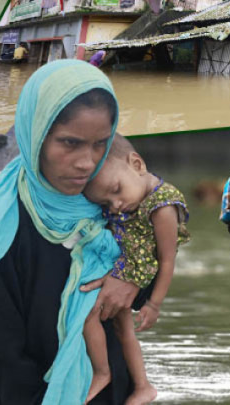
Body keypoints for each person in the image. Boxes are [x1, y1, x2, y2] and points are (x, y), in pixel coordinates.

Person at [0, 59, 145, 404]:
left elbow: (142, 295)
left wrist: (130, 275)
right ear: (36, 133)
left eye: (100, 143)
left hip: (113, 391)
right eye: (70, 143)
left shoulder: (110, 200)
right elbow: (3, 358)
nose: (87, 162)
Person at [82, 134, 190, 404]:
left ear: (137, 164)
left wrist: (154, 304)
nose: (116, 205)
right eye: (107, 202)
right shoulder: (129, 196)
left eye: (117, 190)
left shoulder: (162, 206)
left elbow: (167, 260)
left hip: (139, 272)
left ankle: (102, 372)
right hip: (122, 265)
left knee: (91, 314)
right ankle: (143, 386)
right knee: (122, 329)